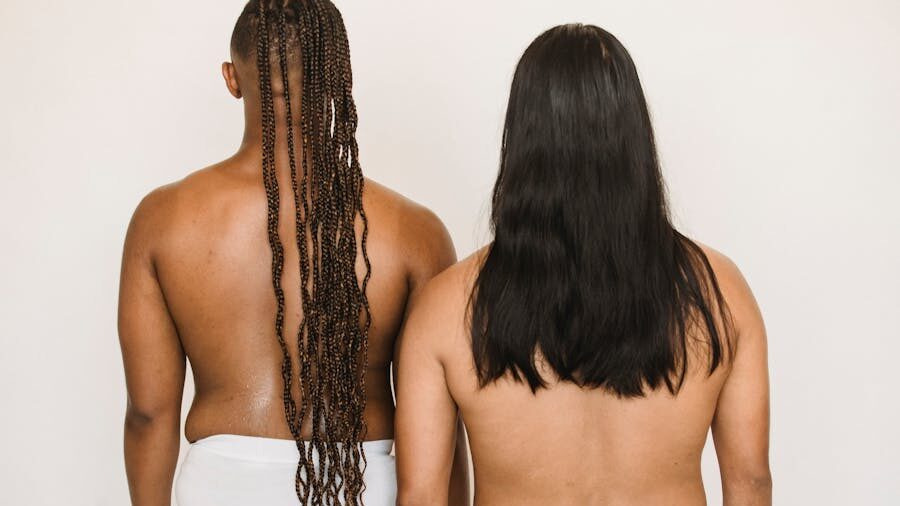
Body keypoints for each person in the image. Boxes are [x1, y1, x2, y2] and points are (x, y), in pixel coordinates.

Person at [395, 24, 771, 506]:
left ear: (522, 139)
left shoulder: (445, 308)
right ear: (634, 136)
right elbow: (751, 482)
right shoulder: (721, 292)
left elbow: (422, 496)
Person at [117, 1, 468, 505]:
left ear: (231, 79)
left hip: (220, 486)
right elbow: (442, 425)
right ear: (338, 75)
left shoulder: (161, 221)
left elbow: (148, 413)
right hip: (362, 484)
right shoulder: (417, 232)